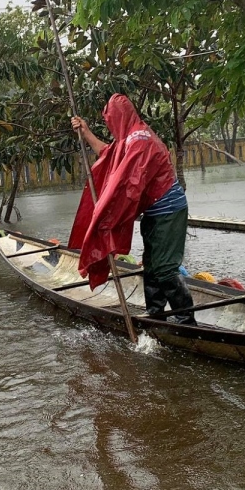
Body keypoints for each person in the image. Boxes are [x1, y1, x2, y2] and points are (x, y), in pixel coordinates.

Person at [69, 94, 194, 324]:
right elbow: (108, 154)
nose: (110, 126)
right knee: (152, 264)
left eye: (110, 121)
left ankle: (187, 321)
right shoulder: (130, 137)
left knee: (165, 268)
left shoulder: (140, 141)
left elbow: (127, 185)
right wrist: (85, 132)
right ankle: (156, 315)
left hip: (168, 209)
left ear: (119, 117)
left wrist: (104, 220)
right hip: (155, 211)